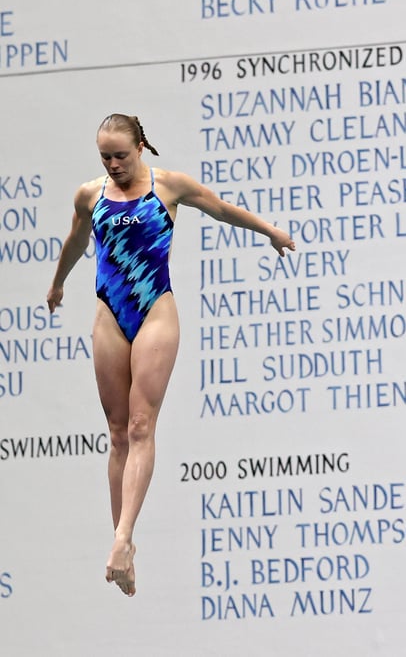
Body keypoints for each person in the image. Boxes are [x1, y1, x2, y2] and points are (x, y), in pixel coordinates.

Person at [46, 114, 296, 596]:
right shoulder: (89, 194)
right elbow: (77, 241)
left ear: (141, 147)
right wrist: (57, 284)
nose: (113, 164)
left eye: (121, 155)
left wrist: (270, 231)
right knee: (117, 432)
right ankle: (126, 546)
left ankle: (121, 539)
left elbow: (220, 208)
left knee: (142, 426)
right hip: (109, 315)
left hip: (155, 311)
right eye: (105, 157)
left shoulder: (169, 186)